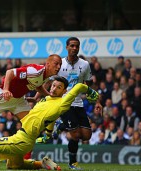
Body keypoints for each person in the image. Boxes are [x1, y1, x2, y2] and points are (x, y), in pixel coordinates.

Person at [38, 37, 101, 170]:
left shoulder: (84, 64)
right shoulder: (59, 63)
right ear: (66, 47)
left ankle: (60, 125)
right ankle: (73, 163)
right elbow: (48, 82)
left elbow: (89, 85)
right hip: (64, 102)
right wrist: (37, 96)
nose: (74, 48)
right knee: (75, 135)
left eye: (76, 46)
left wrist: (97, 102)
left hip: (78, 103)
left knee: (86, 135)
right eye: (72, 46)